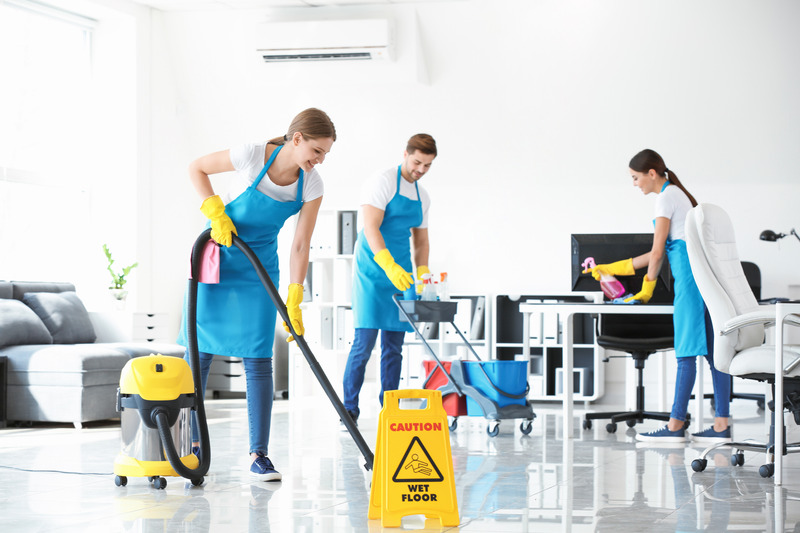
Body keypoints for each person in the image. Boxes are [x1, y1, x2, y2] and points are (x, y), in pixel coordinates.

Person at [177, 108, 336, 480]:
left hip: (259, 267)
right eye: (316, 150)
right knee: (199, 352)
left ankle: (258, 454)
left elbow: (300, 244)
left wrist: (295, 296)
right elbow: (196, 167)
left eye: (325, 154)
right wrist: (214, 210)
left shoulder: (312, 184)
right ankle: (189, 442)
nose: (320, 160)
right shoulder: (251, 154)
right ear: (296, 139)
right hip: (217, 254)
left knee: (258, 357)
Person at [585, 149, 731, 443]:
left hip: (689, 281)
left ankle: (675, 426)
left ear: (652, 173)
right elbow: (659, 252)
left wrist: (646, 290)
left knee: (686, 352)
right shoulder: (679, 194)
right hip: (702, 277)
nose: (635, 183)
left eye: (635, 177)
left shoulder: (666, 198)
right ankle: (721, 424)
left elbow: (657, 251)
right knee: (717, 354)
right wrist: (611, 268)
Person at [342, 134, 438, 425]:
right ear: (406, 154)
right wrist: (387, 264)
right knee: (364, 343)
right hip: (373, 269)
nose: (421, 169)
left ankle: (389, 408)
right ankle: (349, 410)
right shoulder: (382, 181)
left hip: (401, 274)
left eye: (428, 165)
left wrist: (422, 273)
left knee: (394, 346)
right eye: (417, 162)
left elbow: (421, 242)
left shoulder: (423, 196)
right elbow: (370, 227)